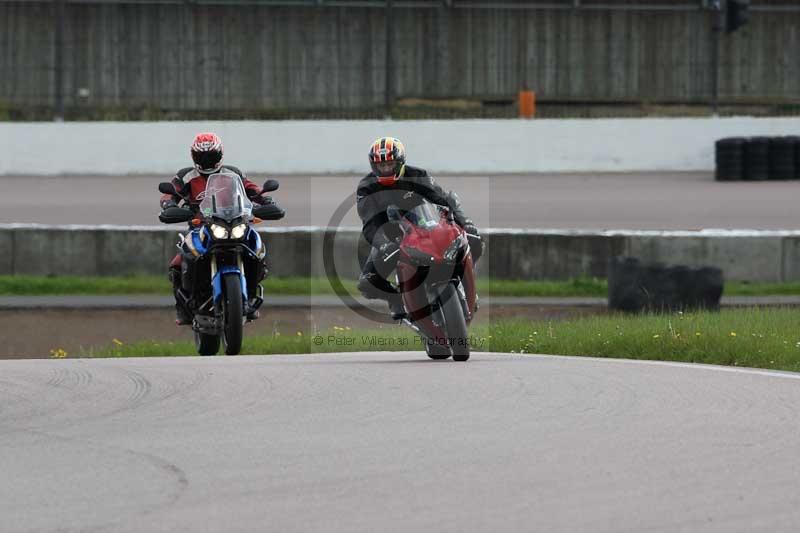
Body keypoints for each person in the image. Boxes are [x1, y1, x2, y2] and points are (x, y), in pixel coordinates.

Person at [356, 136, 482, 319]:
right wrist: (384, 244)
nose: (385, 169)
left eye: (390, 164)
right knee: (367, 283)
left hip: (424, 227)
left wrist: (465, 223)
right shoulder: (366, 188)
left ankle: (469, 286)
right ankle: (398, 299)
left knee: (475, 239)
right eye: (381, 166)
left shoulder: (418, 175)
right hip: (391, 237)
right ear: (373, 166)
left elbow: (443, 200)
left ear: (400, 162)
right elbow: (369, 224)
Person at [159, 132, 276, 324]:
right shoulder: (186, 176)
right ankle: (183, 309)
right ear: (194, 156)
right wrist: (169, 205)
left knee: (256, 248)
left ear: (220, 154)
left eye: (211, 156)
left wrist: (266, 199)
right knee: (178, 263)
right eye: (202, 156)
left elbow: (252, 190)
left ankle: (251, 294)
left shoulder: (233, 173)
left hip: (234, 222)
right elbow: (170, 195)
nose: (206, 160)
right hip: (200, 226)